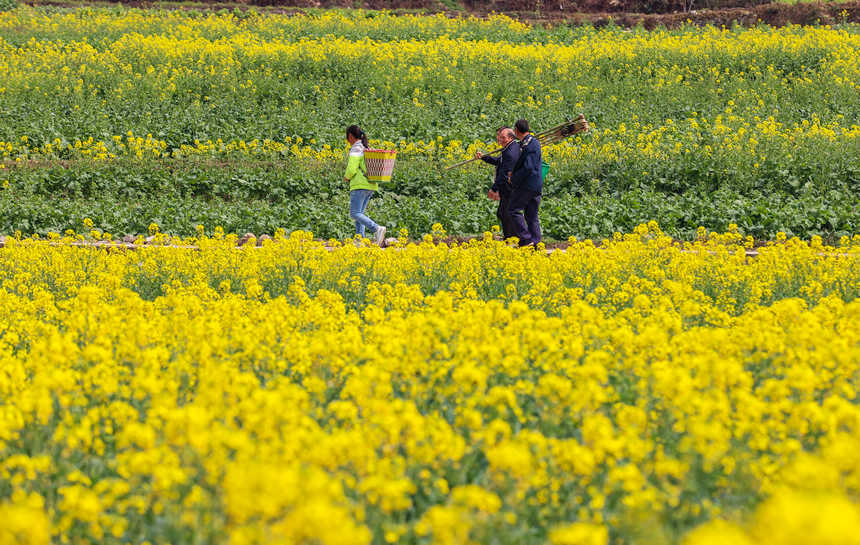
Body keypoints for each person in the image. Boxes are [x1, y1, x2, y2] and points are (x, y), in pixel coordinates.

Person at [344, 125, 386, 246]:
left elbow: (352, 168)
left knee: (354, 213)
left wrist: (346, 177)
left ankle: (377, 229)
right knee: (359, 214)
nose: (347, 140)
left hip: (359, 185)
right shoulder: (365, 147)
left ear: (351, 136)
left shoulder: (356, 149)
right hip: (371, 185)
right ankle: (359, 239)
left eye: (347, 137)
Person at [476, 126, 519, 239]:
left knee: (506, 213)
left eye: (502, 137)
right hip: (508, 187)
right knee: (504, 213)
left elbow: (504, 173)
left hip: (510, 188)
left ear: (510, 138)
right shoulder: (509, 148)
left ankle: (512, 237)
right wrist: (484, 157)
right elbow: (499, 162)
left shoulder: (511, 151)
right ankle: (512, 237)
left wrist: (494, 188)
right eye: (499, 137)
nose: (499, 139)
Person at [508, 119, 543, 247]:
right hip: (534, 186)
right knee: (531, 215)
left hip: (528, 185)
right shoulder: (528, 143)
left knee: (513, 210)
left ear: (516, 130)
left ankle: (526, 239)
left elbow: (528, 167)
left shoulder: (531, 144)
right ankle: (535, 244)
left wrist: (514, 178)